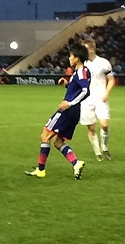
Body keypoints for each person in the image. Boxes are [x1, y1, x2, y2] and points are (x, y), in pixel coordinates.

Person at [25, 44, 89, 180]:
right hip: (73, 112)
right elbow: (77, 90)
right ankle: (76, 163)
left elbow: (85, 91)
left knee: (45, 136)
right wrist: (66, 85)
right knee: (58, 142)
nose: (69, 58)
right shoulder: (79, 72)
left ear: (77, 58)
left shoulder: (81, 72)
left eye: (71, 56)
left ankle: (41, 170)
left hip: (68, 111)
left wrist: (69, 103)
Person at [80, 39, 115, 161]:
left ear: (91, 49)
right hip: (86, 99)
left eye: (85, 49)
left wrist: (106, 93)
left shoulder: (104, 63)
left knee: (104, 125)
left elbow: (111, 79)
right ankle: (97, 152)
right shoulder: (82, 64)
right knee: (91, 127)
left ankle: (104, 147)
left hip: (100, 97)